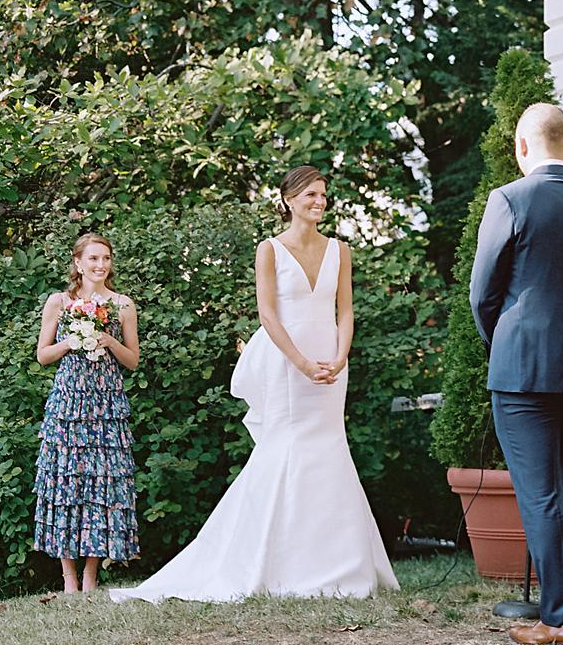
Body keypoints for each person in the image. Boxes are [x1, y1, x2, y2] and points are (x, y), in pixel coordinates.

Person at [111, 165, 397, 604]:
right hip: (287, 360)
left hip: (330, 360)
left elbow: (346, 312)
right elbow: (268, 313)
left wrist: (340, 357)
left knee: (328, 448)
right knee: (286, 449)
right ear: (288, 200)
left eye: (323, 195)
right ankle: (268, 560)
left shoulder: (340, 249)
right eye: (310, 195)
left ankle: (340, 566)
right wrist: (301, 363)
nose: (318, 202)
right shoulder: (270, 250)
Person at [469, 104, 563, 645]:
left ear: (521, 145)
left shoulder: (510, 199)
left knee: (539, 493)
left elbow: (483, 292)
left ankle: (558, 617)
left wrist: (506, 345)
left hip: (524, 367)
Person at [34, 233, 141, 594]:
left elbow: (133, 360)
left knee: (103, 482)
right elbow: (43, 355)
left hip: (106, 403)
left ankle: (92, 574)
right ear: (78, 263)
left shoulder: (123, 304)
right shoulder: (59, 301)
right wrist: (73, 340)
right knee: (66, 481)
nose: (100, 265)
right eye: (93, 259)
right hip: (68, 402)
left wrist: (109, 341)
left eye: (106, 258)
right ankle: (68, 576)